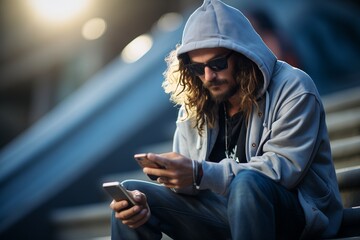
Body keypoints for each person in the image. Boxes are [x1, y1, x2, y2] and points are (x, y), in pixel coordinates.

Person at [109, 0, 343, 239]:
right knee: (132, 197)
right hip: (225, 216)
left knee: (248, 182)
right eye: (198, 68)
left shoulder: (294, 87)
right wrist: (174, 180)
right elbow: (192, 186)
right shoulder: (195, 104)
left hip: (293, 218)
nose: (209, 76)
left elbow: (284, 170)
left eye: (218, 64)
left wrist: (200, 173)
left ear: (242, 55)